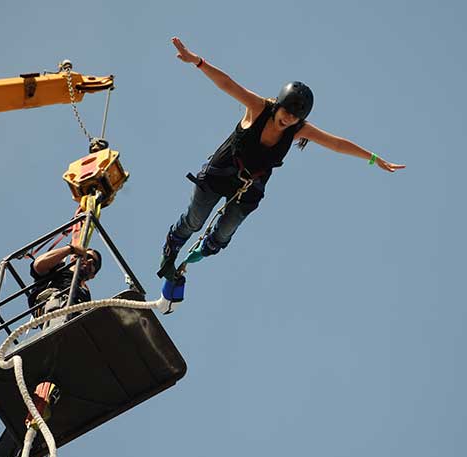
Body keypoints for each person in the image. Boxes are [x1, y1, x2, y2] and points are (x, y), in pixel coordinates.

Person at [158, 37, 405, 279]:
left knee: (221, 238)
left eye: (294, 118)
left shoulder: (299, 130)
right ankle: (171, 250)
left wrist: (373, 158)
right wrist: (196, 61)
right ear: (279, 105)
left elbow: (337, 143)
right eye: (286, 112)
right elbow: (227, 84)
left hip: (250, 187)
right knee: (194, 221)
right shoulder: (258, 108)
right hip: (220, 173)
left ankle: (202, 252)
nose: (287, 120)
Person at [0, 243, 101, 371]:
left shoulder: (85, 291)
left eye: (93, 262)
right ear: (74, 258)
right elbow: (39, 265)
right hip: (55, 308)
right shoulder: (59, 268)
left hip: (76, 319)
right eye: (86, 256)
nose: (88, 261)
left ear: (93, 275)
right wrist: (70, 249)